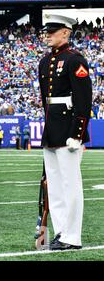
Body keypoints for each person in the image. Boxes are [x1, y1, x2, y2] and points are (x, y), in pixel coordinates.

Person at [39, 14, 92, 250]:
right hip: (52, 127)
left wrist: (78, 132)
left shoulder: (74, 60)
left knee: (71, 184)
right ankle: (61, 231)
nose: (48, 35)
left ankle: (72, 236)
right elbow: (45, 99)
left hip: (69, 127)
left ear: (66, 33)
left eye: (53, 31)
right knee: (56, 185)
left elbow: (83, 99)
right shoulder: (44, 61)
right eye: (47, 31)